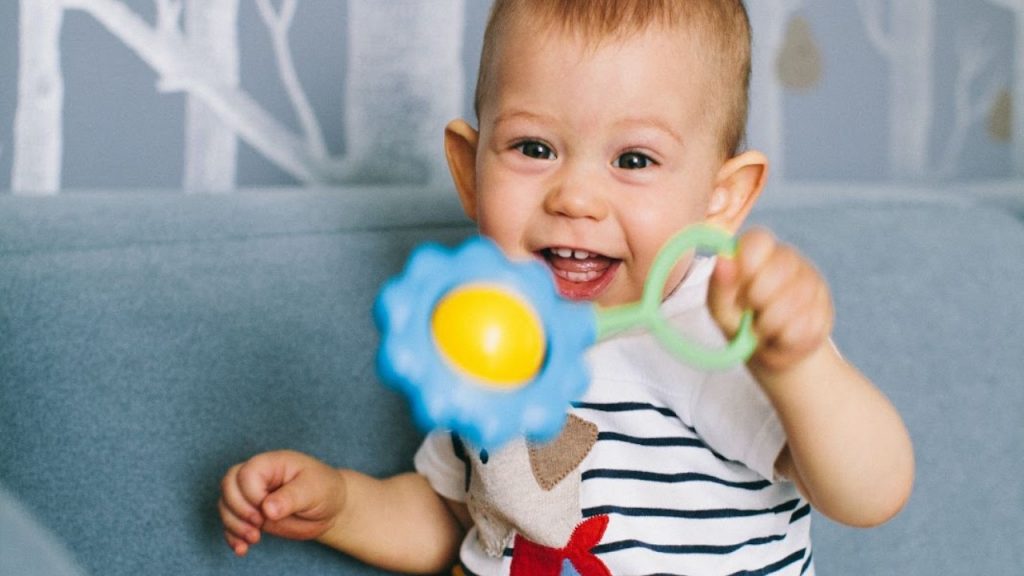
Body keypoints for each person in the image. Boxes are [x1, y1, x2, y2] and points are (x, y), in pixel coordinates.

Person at [218, 1, 915, 573]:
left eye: (634, 159)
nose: (575, 196)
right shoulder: (485, 333)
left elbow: (871, 491)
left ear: (720, 200)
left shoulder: (714, 326)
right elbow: (464, 518)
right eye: (534, 148)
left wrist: (795, 366)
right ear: (469, 169)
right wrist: (342, 506)